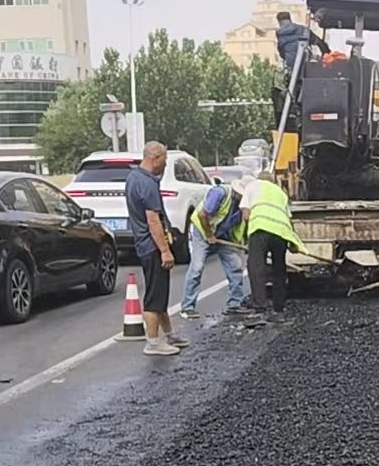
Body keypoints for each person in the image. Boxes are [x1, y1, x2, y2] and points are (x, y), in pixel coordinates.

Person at [125, 141, 189, 355]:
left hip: (145, 244)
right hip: (151, 246)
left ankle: (169, 334)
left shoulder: (134, 177)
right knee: (154, 296)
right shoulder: (147, 184)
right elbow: (153, 220)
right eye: (165, 159)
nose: (166, 164)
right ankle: (153, 342)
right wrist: (165, 250)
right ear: (155, 158)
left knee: (160, 294)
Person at [180, 176, 256, 319]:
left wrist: (245, 243)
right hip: (203, 232)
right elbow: (203, 215)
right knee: (197, 267)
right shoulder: (220, 193)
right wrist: (209, 235)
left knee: (235, 267)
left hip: (224, 235)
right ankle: (187, 307)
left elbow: (241, 227)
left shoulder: (243, 207)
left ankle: (235, 304)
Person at [242, 171, 302, 321]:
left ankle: (260, 309)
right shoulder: (280, 192)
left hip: (260, 229)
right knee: (279, 270)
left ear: (259, 179)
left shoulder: (252, 186)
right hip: (280, 232)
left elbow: (246, 215)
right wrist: (293, 243)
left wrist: (247, 237)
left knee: (256, 268)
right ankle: (278, 311)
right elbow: (288, 219)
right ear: (272, 181)